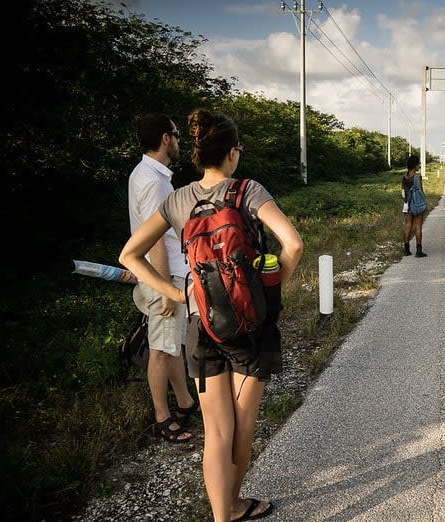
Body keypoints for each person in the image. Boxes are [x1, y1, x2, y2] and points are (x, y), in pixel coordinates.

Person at [120, 108, 303, 521]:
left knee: (216, 432)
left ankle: (223, 515)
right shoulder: (247, 191)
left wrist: (181, 292)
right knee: (242, 428)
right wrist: (268, 290)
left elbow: (129, 255)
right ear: (233, 153)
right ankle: (235, 503)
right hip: (249, 328)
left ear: (199, 154)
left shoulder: (177, 199)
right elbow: (292, 244)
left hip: (200, 324)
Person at [128, 113, 199, 444]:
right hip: (164, 273)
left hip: (167, 272)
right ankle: (162, 417)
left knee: (172, 345)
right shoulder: (154, 181)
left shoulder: (147, 174)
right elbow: (155, 239)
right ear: (165, 138)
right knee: (160, 348)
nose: (179, 141)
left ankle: (184, 401)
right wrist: (167, 290)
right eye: (175, 135)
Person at [401, 154, 428, 258]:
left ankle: (406, 249)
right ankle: (419, 250)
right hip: (417, 204)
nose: (419, 166)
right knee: (418, 227)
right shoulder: (417, 177)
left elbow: (403, 192)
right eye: (418, 164)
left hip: (408, 204)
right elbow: (421, 191)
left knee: (408, 226)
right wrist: (424, 202)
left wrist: (406, 201)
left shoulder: (404, 177)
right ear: (415, 165)